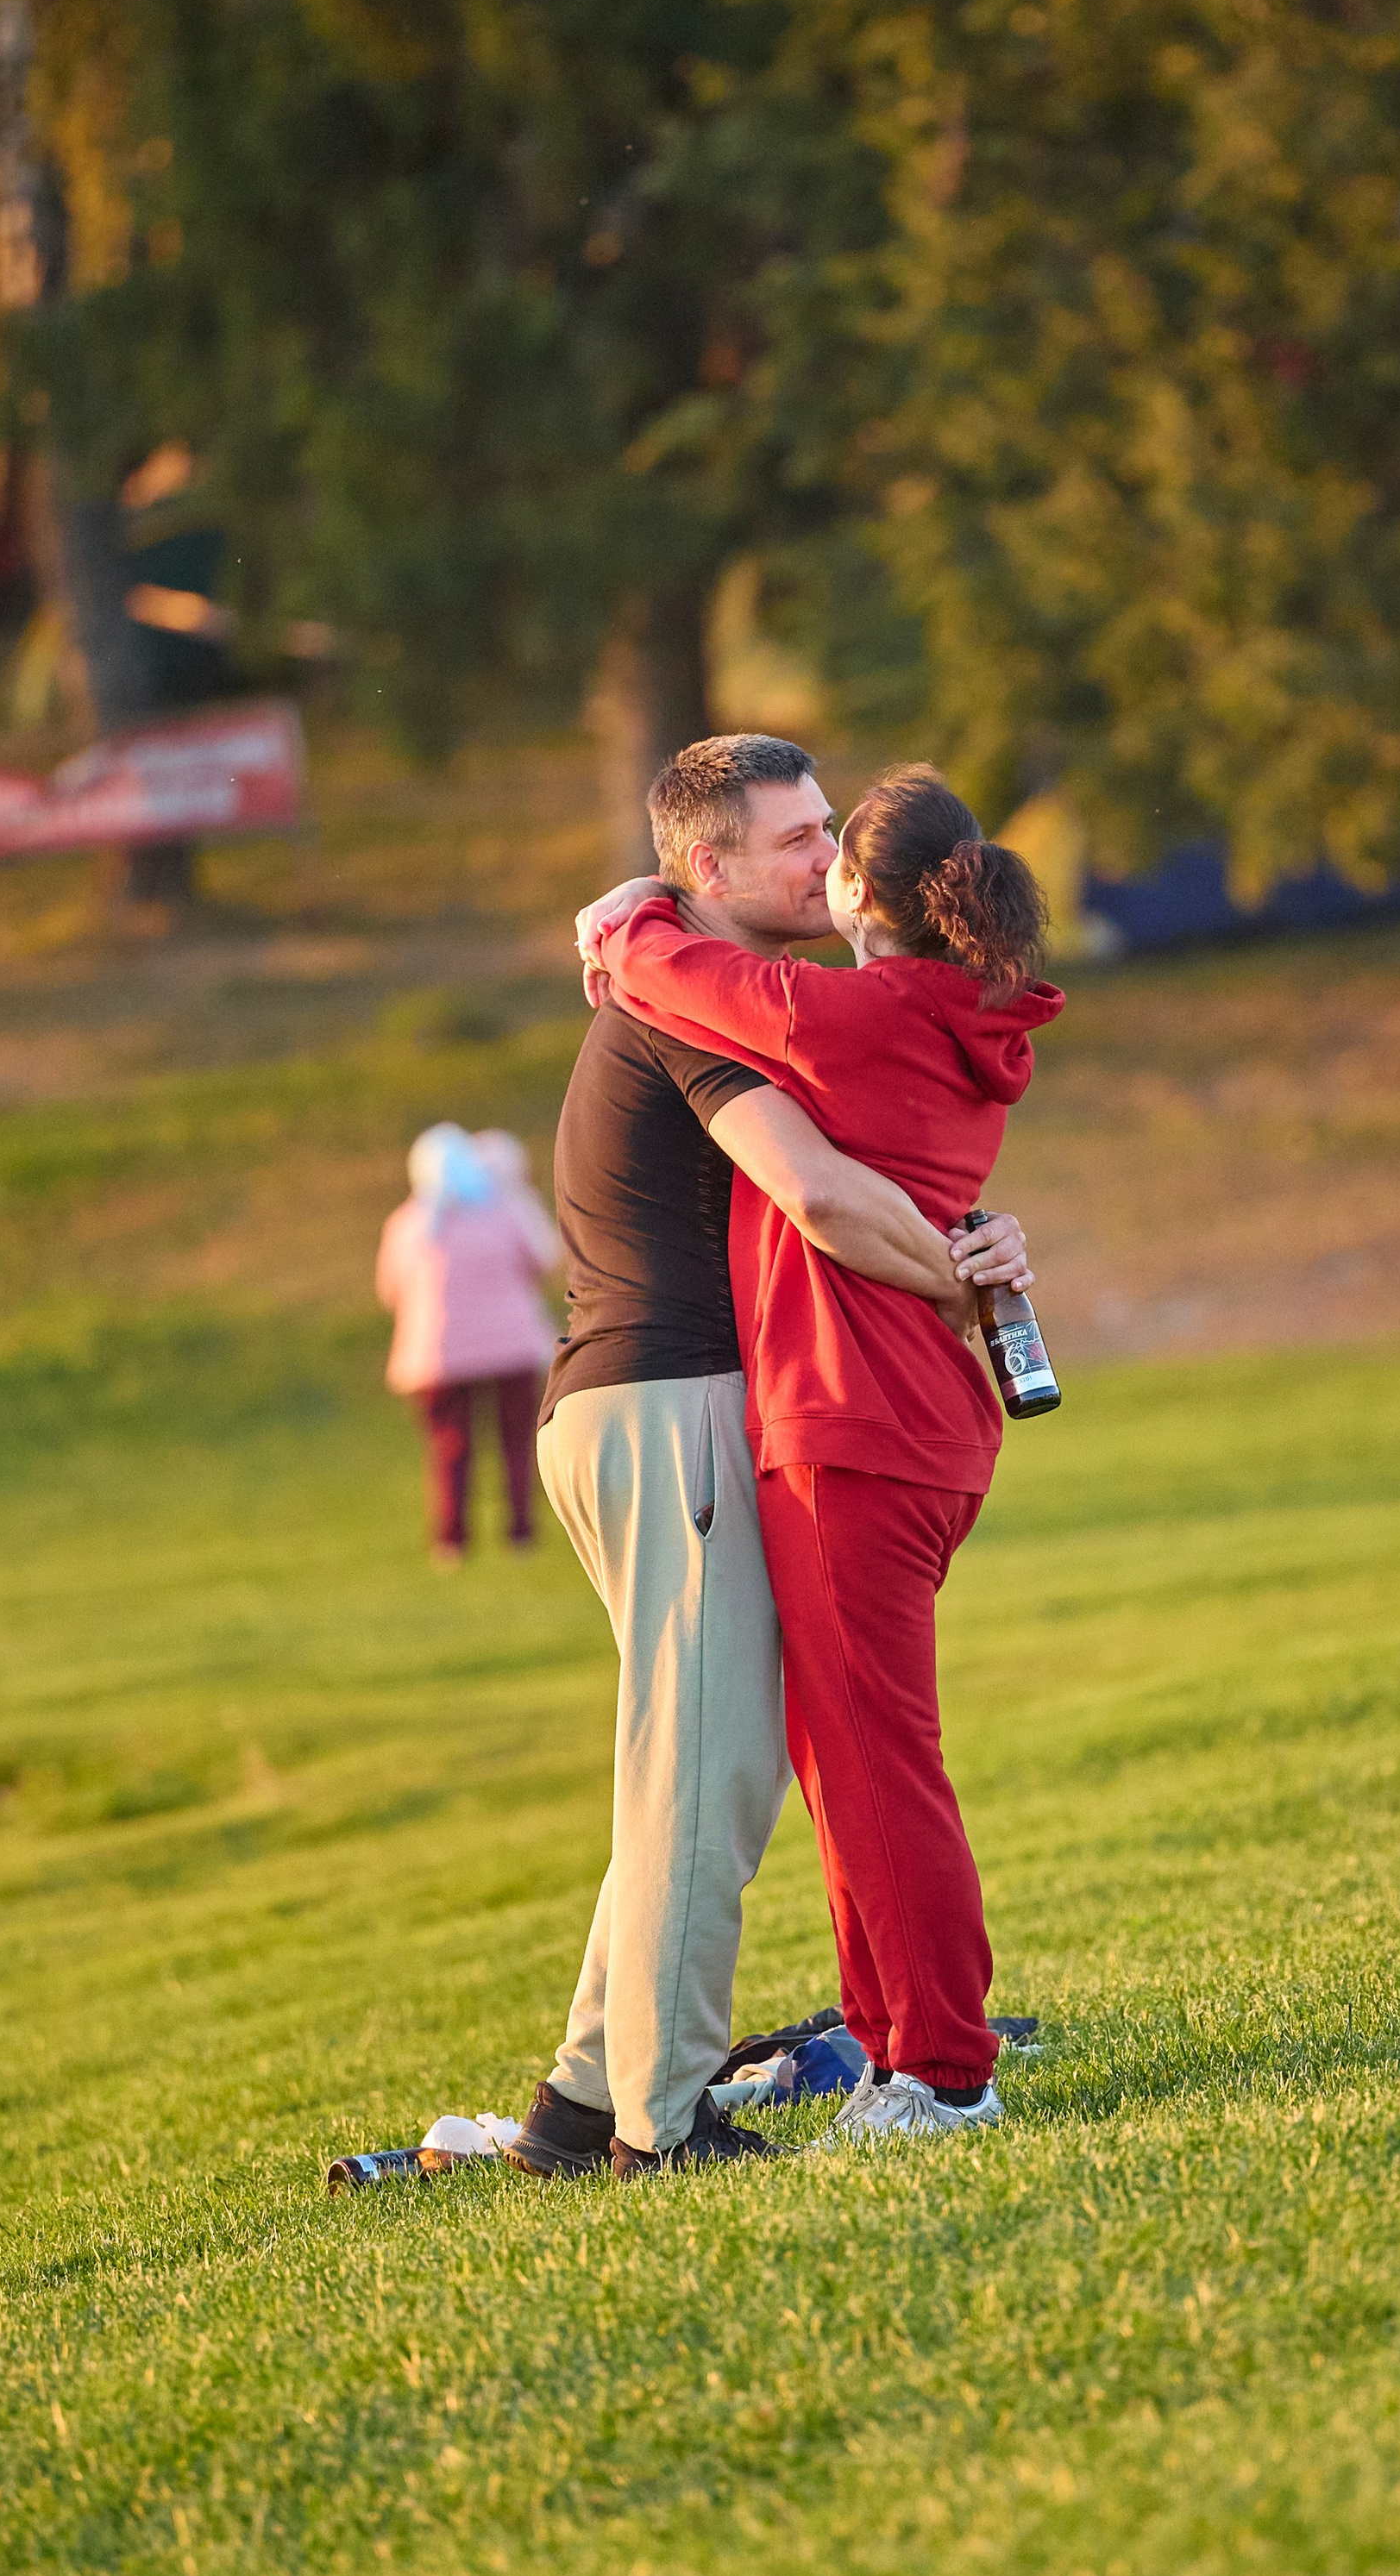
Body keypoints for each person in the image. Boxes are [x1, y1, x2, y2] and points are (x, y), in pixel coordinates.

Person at [509, 733, 1036, 2183]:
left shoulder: (717, 979)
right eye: (794, 839)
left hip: (662, 1409)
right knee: (711, 1776)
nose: (823, 859)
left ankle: (575, 2104)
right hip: (668, 1404)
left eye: (827, 830)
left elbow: (877, 1160)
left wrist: (967, 1246)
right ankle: (661, 2124)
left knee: (687, 1765)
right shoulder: (693, 1000)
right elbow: (815, 1193)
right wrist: (965, 1280)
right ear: (710, 867)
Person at [375, 1120, 560, 1568]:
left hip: (437, 1355)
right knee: (517, 1442)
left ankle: (451, 1543)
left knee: (450, 1449)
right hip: (512, 1346)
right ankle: (520, 1535)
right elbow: (544, 1260)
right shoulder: (507, 1210)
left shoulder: (410, 1223)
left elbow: (388, 1290)